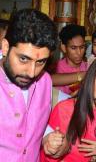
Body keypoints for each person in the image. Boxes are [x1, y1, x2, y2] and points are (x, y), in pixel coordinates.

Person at [0, 9, 57, 161]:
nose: (31, 73)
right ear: (5, 47)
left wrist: (48, 137)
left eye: (41, 62)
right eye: (24, 59)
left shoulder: (45, 81)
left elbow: (34, 123)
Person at [51, 24, 87, 96]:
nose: (79, 52)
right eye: (73, 48)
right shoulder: (55, 68)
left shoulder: (88, 66)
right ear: (64, 48)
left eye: (82, 47)